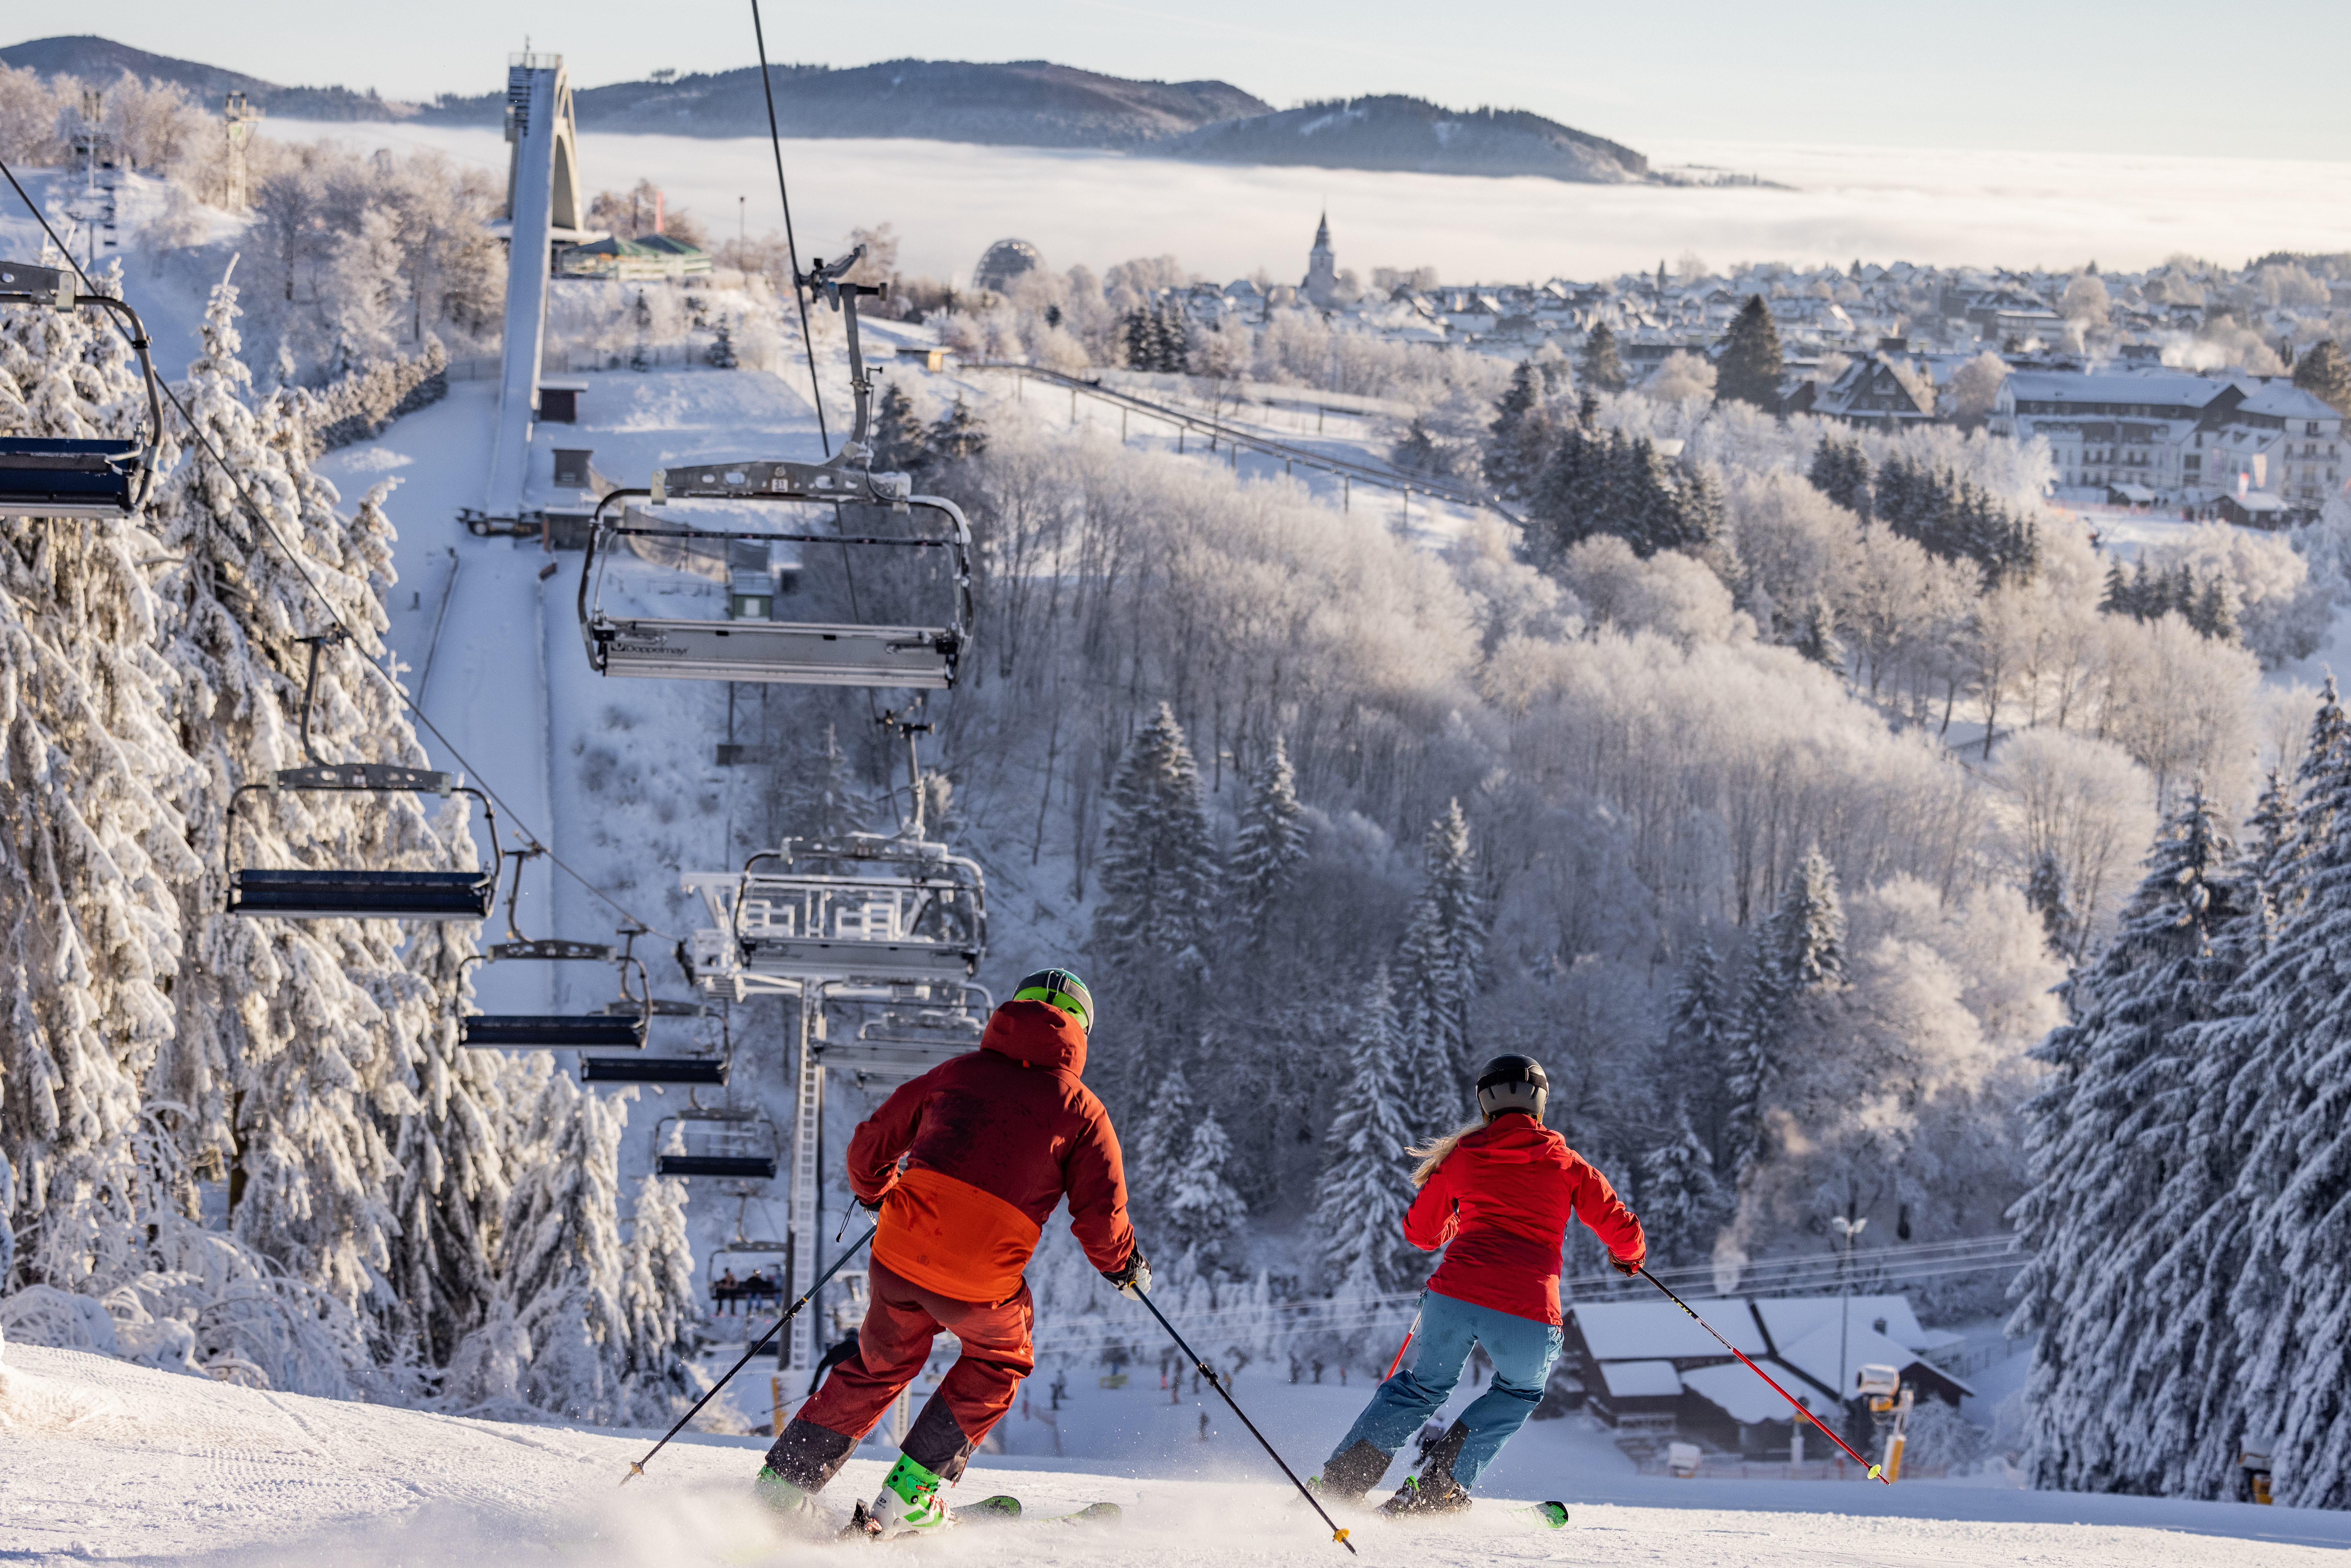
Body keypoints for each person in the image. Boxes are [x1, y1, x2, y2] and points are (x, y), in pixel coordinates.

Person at [755, 968, 1147, 1537]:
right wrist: (1125, 1266)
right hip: (980, 1277)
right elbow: (1101, 1222)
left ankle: (781, 1487)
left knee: (878, 1366)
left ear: (1012, 1011)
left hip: (898, 1251)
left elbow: (869, 1147)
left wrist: (879, 1194)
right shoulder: (1084, 1113)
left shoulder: (955, 1074)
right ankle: (913, 1492)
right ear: (1082, 1032)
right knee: (1000, 1358)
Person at [1314, 1054, 1645, 1516]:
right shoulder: (1568, 1164)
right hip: (1527, 1307)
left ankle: (1341, 1484)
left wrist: (1461, 1222)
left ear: (1485, 1102)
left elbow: (1421, 1231)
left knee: (1422, 1387)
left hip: (1455, 1295)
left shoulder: (1464, 1156)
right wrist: (1628, 1258)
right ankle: (1437, 1490)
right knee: (1519, 1391)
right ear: (1541, 1103)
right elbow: (1623, 1231)